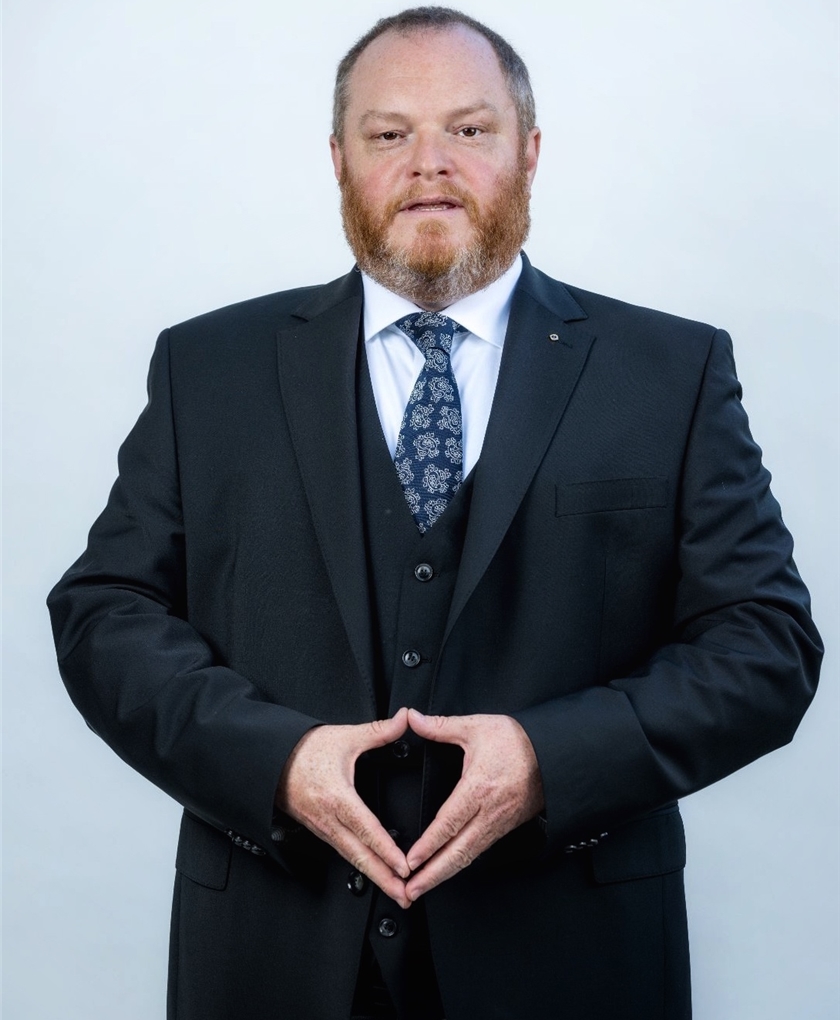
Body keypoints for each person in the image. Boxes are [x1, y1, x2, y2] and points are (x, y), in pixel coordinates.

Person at [47, 7, 822, 1020]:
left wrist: (550, 761)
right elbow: (104, 614)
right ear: (338, 160)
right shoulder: (208, 369)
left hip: (573, 965)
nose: (429, 163)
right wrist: (275, 762)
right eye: (388, 133)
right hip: (272, 961)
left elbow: (766, 644)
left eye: (469, 128)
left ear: (529, 150)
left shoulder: (670, 373)